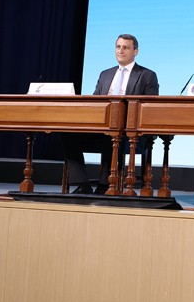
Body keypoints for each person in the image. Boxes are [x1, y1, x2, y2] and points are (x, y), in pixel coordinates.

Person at [63, 34, 159, 194]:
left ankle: (105, 185)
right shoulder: (105, 74)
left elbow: (150, 109)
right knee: (68, 134)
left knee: (112, 133)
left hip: (129, 133)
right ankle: (82, 184)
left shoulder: (147, 75)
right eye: (118, 47)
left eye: (126, 47)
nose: (121, 51)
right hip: (101, 128)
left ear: (135, 51)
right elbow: (95, 103)